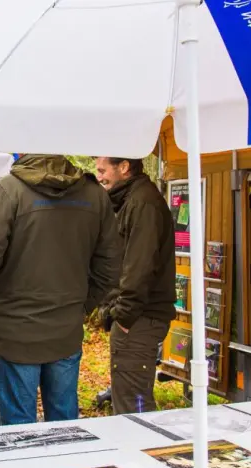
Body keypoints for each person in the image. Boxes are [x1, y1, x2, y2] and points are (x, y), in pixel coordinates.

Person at [0, 153, 121, 425]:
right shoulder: (94, 194)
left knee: (18, 431)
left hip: (16, 330)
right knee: (63, 425)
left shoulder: (8, 190)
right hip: (64, 329)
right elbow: (110, 266)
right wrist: (82, 305)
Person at [95, 156, 176, 415]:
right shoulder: (132, 200)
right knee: (128, 398)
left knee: (134, 404)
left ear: (124, 167)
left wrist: (124, 316)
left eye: (102, 170)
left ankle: (141, 451)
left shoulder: (143, 203)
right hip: (138, 317)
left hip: (140, 318)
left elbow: (139, 266)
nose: (99, 177)